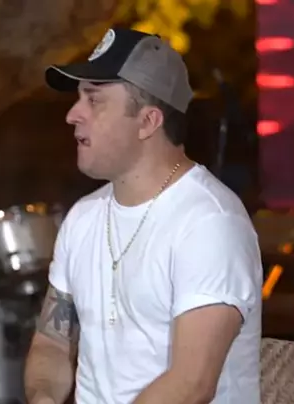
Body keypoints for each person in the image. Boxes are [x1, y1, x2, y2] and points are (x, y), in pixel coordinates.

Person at [24, 28, 263, 404]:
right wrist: (43, 397)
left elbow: (191, 384)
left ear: (148, 121)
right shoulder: (83, 219)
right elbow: (52, 342)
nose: (72, 115)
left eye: (94, 100)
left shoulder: (209, 223)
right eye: (78, 98)